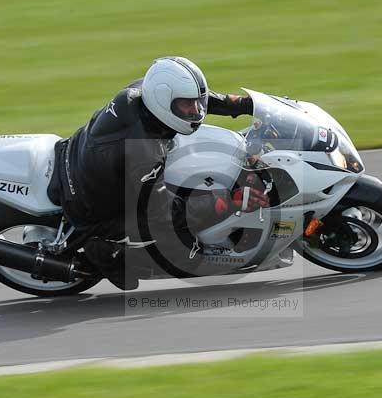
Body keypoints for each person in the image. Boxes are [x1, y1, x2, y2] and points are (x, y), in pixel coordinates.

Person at [51, 57, 269, 290]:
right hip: (90, 205)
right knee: (189, 257)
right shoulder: (144, 153)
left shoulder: (140, 92)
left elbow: (204, 100)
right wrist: (226, 202)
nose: (195, 110)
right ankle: (109, 252)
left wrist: (250, 106)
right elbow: (166, 213)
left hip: (78, 153)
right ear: (164, 101)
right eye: (187, 105)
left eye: (197, 102)